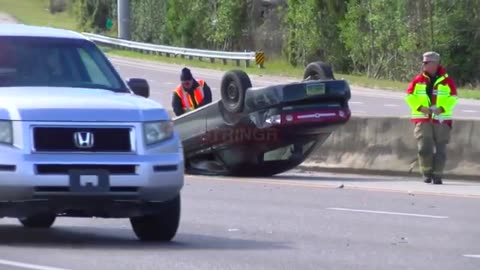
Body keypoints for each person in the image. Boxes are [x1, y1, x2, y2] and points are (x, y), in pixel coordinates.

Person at [405, 51, 458, 185]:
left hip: (442, 119)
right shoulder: (418, 80)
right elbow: (409, 96)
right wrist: (420, 107)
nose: (423, 64)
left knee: (441, 150)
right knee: (424, 148)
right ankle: (426, 173)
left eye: (426, 62)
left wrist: (442, 109)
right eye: (423, 62)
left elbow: (453, 98)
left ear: (435, 64)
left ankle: (437, 176)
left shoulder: (447, 81)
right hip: (423, 119)